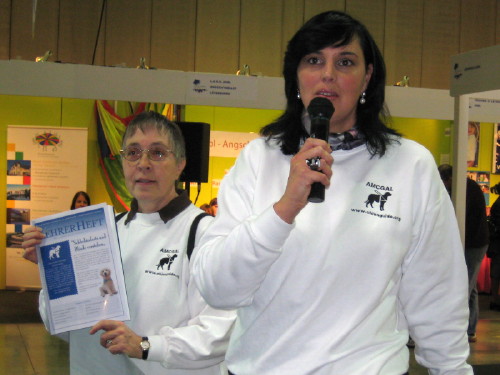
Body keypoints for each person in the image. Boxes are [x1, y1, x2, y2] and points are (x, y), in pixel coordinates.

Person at [193, 11, 472, 375]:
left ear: (367, 76)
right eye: (313, 60)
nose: (328, 74)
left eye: (345, 62)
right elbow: (218, 288)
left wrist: (451, 369)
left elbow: (438, 294)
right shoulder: (258, 159)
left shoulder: (410, 165)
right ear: (295, 76)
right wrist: (284, 207)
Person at [22, 111, 235, 375]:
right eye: (133, 153)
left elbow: (221, 332)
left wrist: (146, 346)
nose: (143, 163)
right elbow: (68, 330)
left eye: (157, 153)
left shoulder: (206, 233)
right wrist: (53, 275)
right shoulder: (104, 232)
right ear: (123, 162)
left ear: (180, 163)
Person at [438, 164, 489, 343]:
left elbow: (462, 220)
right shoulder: (468, 187)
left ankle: (458, 331)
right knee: (470, 287)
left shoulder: (464, 190)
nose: (444, 185)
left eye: (444, 180)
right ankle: (469, 330)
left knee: (464, 287)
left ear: (450, 178)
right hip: (474, 243)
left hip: (472, 244)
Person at [488, 183, 500, 311]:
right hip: (498, 243)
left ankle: (494, 299)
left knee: (496, 272)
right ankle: (495, 299)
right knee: (496, 272)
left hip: (496, 243)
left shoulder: (497, 203)